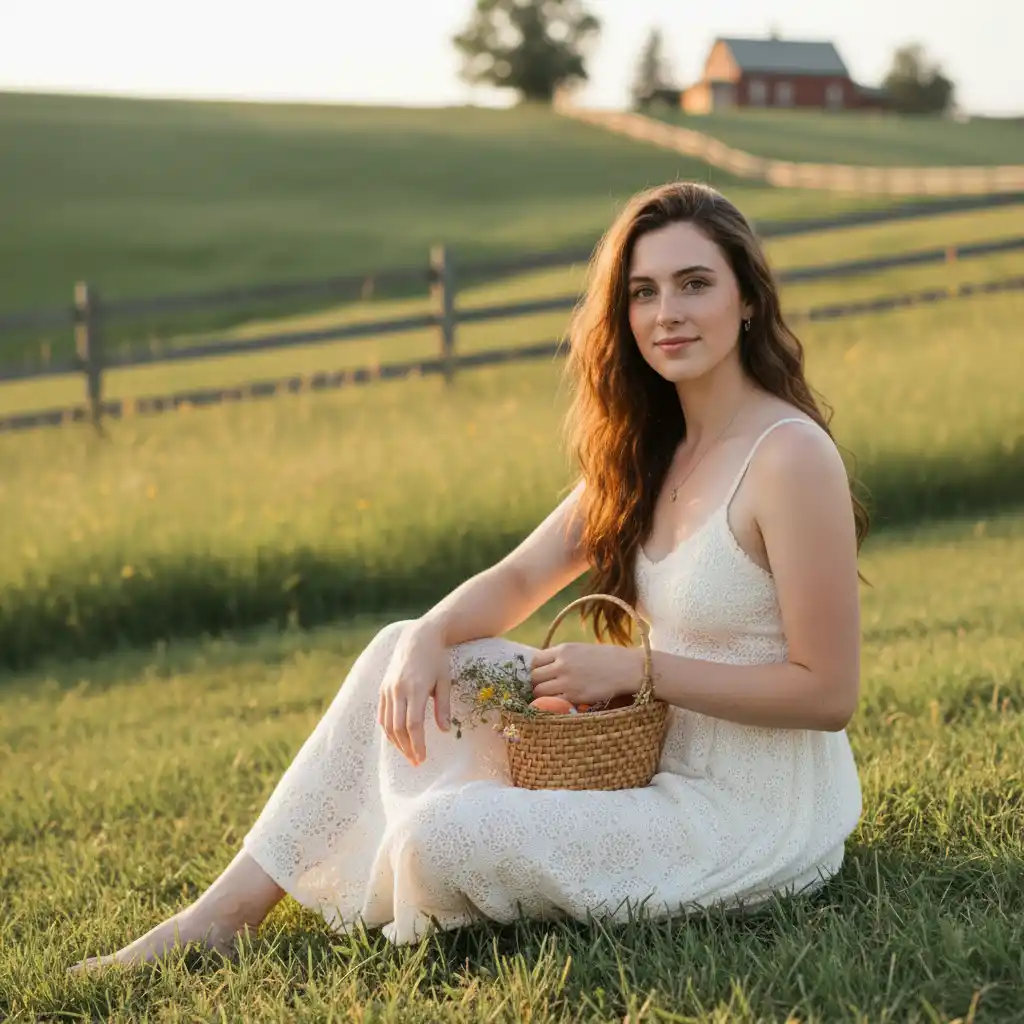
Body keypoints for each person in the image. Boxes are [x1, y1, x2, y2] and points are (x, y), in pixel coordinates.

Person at [71, 181, 866, 970]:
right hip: (648, 756)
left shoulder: (789, 457)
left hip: (754, 817)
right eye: (643, 293)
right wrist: (426, 636)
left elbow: (827, 693)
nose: (668, 314)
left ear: (748, 299)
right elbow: (518, 579)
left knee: (443, 837)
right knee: (400, 651)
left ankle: (427, 846)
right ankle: (220, 915)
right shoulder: (650, 452)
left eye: (696, 284)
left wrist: (641, 669)